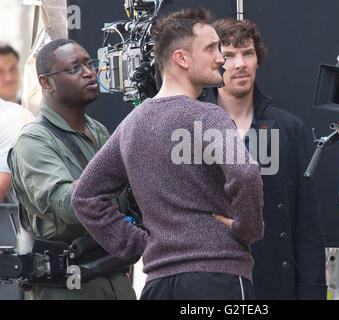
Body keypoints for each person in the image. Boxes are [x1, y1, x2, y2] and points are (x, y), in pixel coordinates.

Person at [71, 8, 264, 300]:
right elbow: (246, 173)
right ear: (182, 58)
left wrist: (141, 245)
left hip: (157, 286)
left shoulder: (131, 125)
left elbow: (84, 197)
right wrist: (247, 229)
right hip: (216, 278)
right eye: (211, 48)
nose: (221, 58)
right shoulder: (207, 115)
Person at [199, 18, 326, 299]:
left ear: (258, 59)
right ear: (214, 61)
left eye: (247, 53)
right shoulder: (192, 127)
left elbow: (307, 224)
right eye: (228, 55)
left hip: (275, 282)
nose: (240, 64)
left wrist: (313, 290)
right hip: (210, 284)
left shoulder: (289, 129)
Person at [7, 38, 136, 300]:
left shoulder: (97, 130)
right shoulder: (33, 140)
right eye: (74, 67)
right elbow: (70, 205)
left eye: (89, 63)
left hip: (113, 277)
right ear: (45, 83)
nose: (89, 72)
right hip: (68, 288)